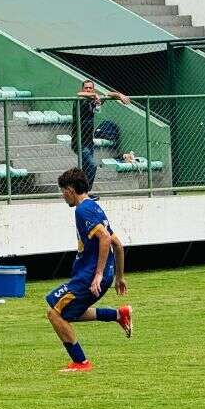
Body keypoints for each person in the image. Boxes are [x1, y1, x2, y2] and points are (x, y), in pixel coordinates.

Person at [44, 168, 133, 373]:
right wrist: (119, 277)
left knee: (54, 313)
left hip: (89, 276)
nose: (62, 195)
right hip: (95, 275)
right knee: (68, 313)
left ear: (70, 190)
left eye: (63, 191)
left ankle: (81, 362)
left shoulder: (83, 210)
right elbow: (118, 245)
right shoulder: (95, 208)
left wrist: (99, 275)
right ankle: (119, 315)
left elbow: (105, 239)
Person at [74, 80, 130, 188]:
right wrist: (94, 94)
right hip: (79, 140)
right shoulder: (80, 99)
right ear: (83, 89)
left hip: (89, 140)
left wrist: (120, 95)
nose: (88, 90)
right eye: (86, 88)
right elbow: (79, 94)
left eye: (91, 88)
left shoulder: (95, 101)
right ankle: (84, 192)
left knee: (86, 167)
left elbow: (108, 94)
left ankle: (83, 193)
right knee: (92, 165)